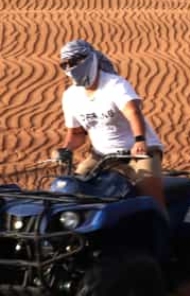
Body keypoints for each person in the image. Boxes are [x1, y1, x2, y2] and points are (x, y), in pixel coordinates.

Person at [54, 39, 166, 209]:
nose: (70, 67)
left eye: (75, 61)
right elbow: (77, 134)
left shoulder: (115, 84)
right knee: (71, 189)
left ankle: (163, 230)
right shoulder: (70, 96)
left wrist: (140, 140)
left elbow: (133, 112)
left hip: (139, 153)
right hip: (102, 156)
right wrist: (66, 149)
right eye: (65, 64)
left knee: (151, 199)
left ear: (90, 58)